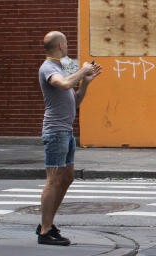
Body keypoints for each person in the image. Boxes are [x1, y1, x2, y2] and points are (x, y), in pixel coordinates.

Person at [37, 31, 102, 246]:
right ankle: (45, 231)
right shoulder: (48, 67)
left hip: (66, 130)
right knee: (53, 180)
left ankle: (48, 223)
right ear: (61, 45)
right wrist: (82, 70)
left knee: (67, 178)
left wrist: (85, 82)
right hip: (55, 132)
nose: (68, 46)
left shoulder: (64, 65)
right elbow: (64, 84)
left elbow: (75, 102)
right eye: (66, 43)